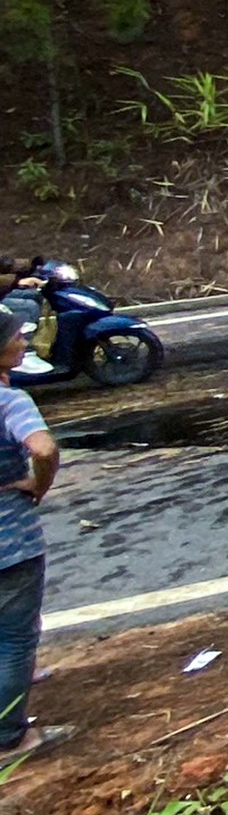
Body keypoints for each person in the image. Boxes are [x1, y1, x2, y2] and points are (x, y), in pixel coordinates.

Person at [0, 311, 61, 760]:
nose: (24, 343)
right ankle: (10, 737)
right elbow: (43, 448)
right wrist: (40, 482)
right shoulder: (10, 401)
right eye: (16, 338)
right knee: (15, 638)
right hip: (10, 540)